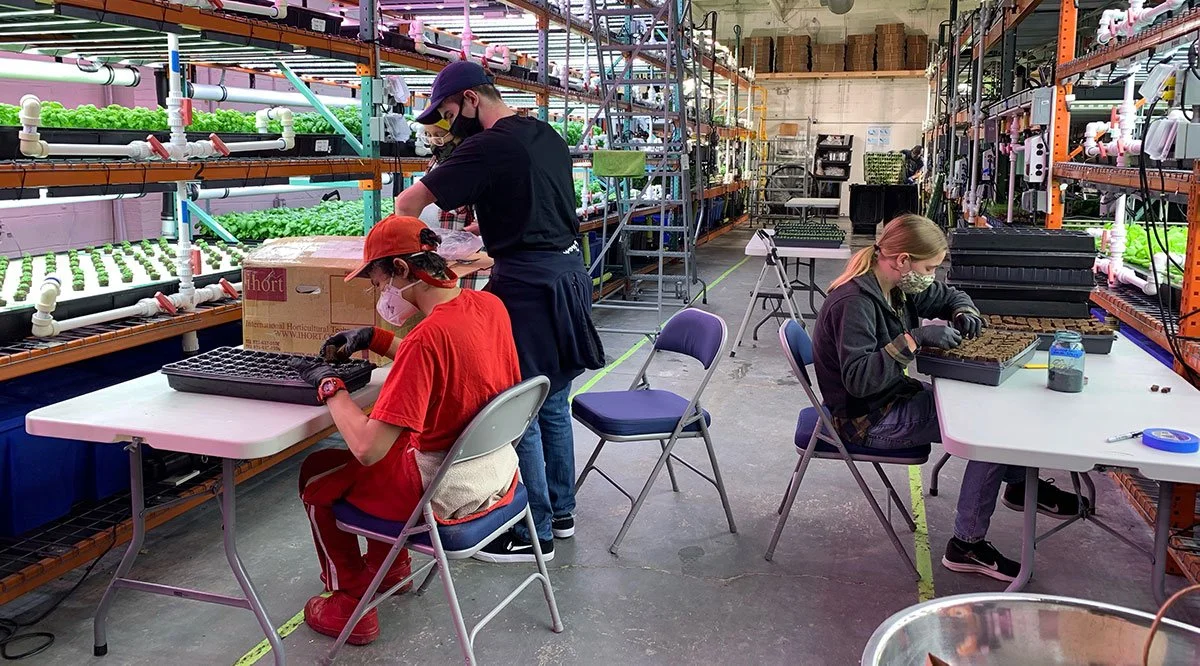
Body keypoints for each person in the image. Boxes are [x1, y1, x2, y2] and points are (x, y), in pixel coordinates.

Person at [391, 61, 605, 563]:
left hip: (528, 288)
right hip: (570, 276)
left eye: (447, 113)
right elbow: (537, 207)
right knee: (552, 403)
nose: (447, 126)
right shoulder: (544, 133)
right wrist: (480, 238)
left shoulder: (487, 145)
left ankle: (537, 531)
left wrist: (410, 255)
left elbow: (409, 200)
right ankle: (562, 512)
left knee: (520, 411)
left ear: (470, 99)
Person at [290, 215, 523, 644]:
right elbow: (444, 358)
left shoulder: (425, 338)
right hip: (496, 474)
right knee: (393, 453)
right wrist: (374, 339)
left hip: (440, 492)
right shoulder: (488, 306)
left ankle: (350, 603)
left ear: (401, 270)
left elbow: (366, 448)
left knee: (319, 474)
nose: (381, 294)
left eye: (378, 283)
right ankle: (391, 567)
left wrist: (328, 385)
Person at [811, 214, 1083, 582]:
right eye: (930, 267)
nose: (931, 276)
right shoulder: (856, 302)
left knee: (991, 408)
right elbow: (859, 380)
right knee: (988, 430)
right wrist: (915, 340)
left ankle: (1020, 485)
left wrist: (963, 310)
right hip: (867, 419)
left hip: (894, 398)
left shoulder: (898, 285)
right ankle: (966, 544)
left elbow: (947, 295)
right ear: (903, 260)